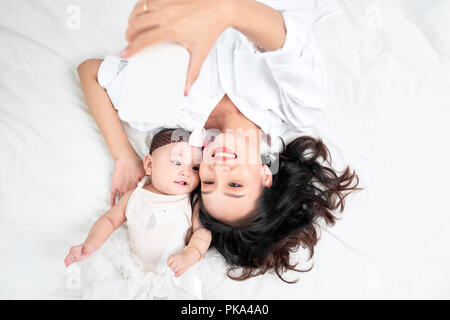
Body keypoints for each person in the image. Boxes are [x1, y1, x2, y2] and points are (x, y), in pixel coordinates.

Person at [79, 0, 361, 282]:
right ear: (266, 175)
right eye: (235, 184)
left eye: (210, 183)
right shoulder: (298, 109)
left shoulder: (166, 106)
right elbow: (282, 34)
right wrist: (225, 10)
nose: (218, 170)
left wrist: (124, 156)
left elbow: (90, 73)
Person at [64, 128, 212, 278]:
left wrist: (189, 256)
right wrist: (91, 243)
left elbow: (203, 232)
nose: (186, 172)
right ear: (149, 164)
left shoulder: (191, 201)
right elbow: (109, 220)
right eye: (177, 162)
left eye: (195, 167)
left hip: (174, 277)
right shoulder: (134, 196)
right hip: (133, 273)